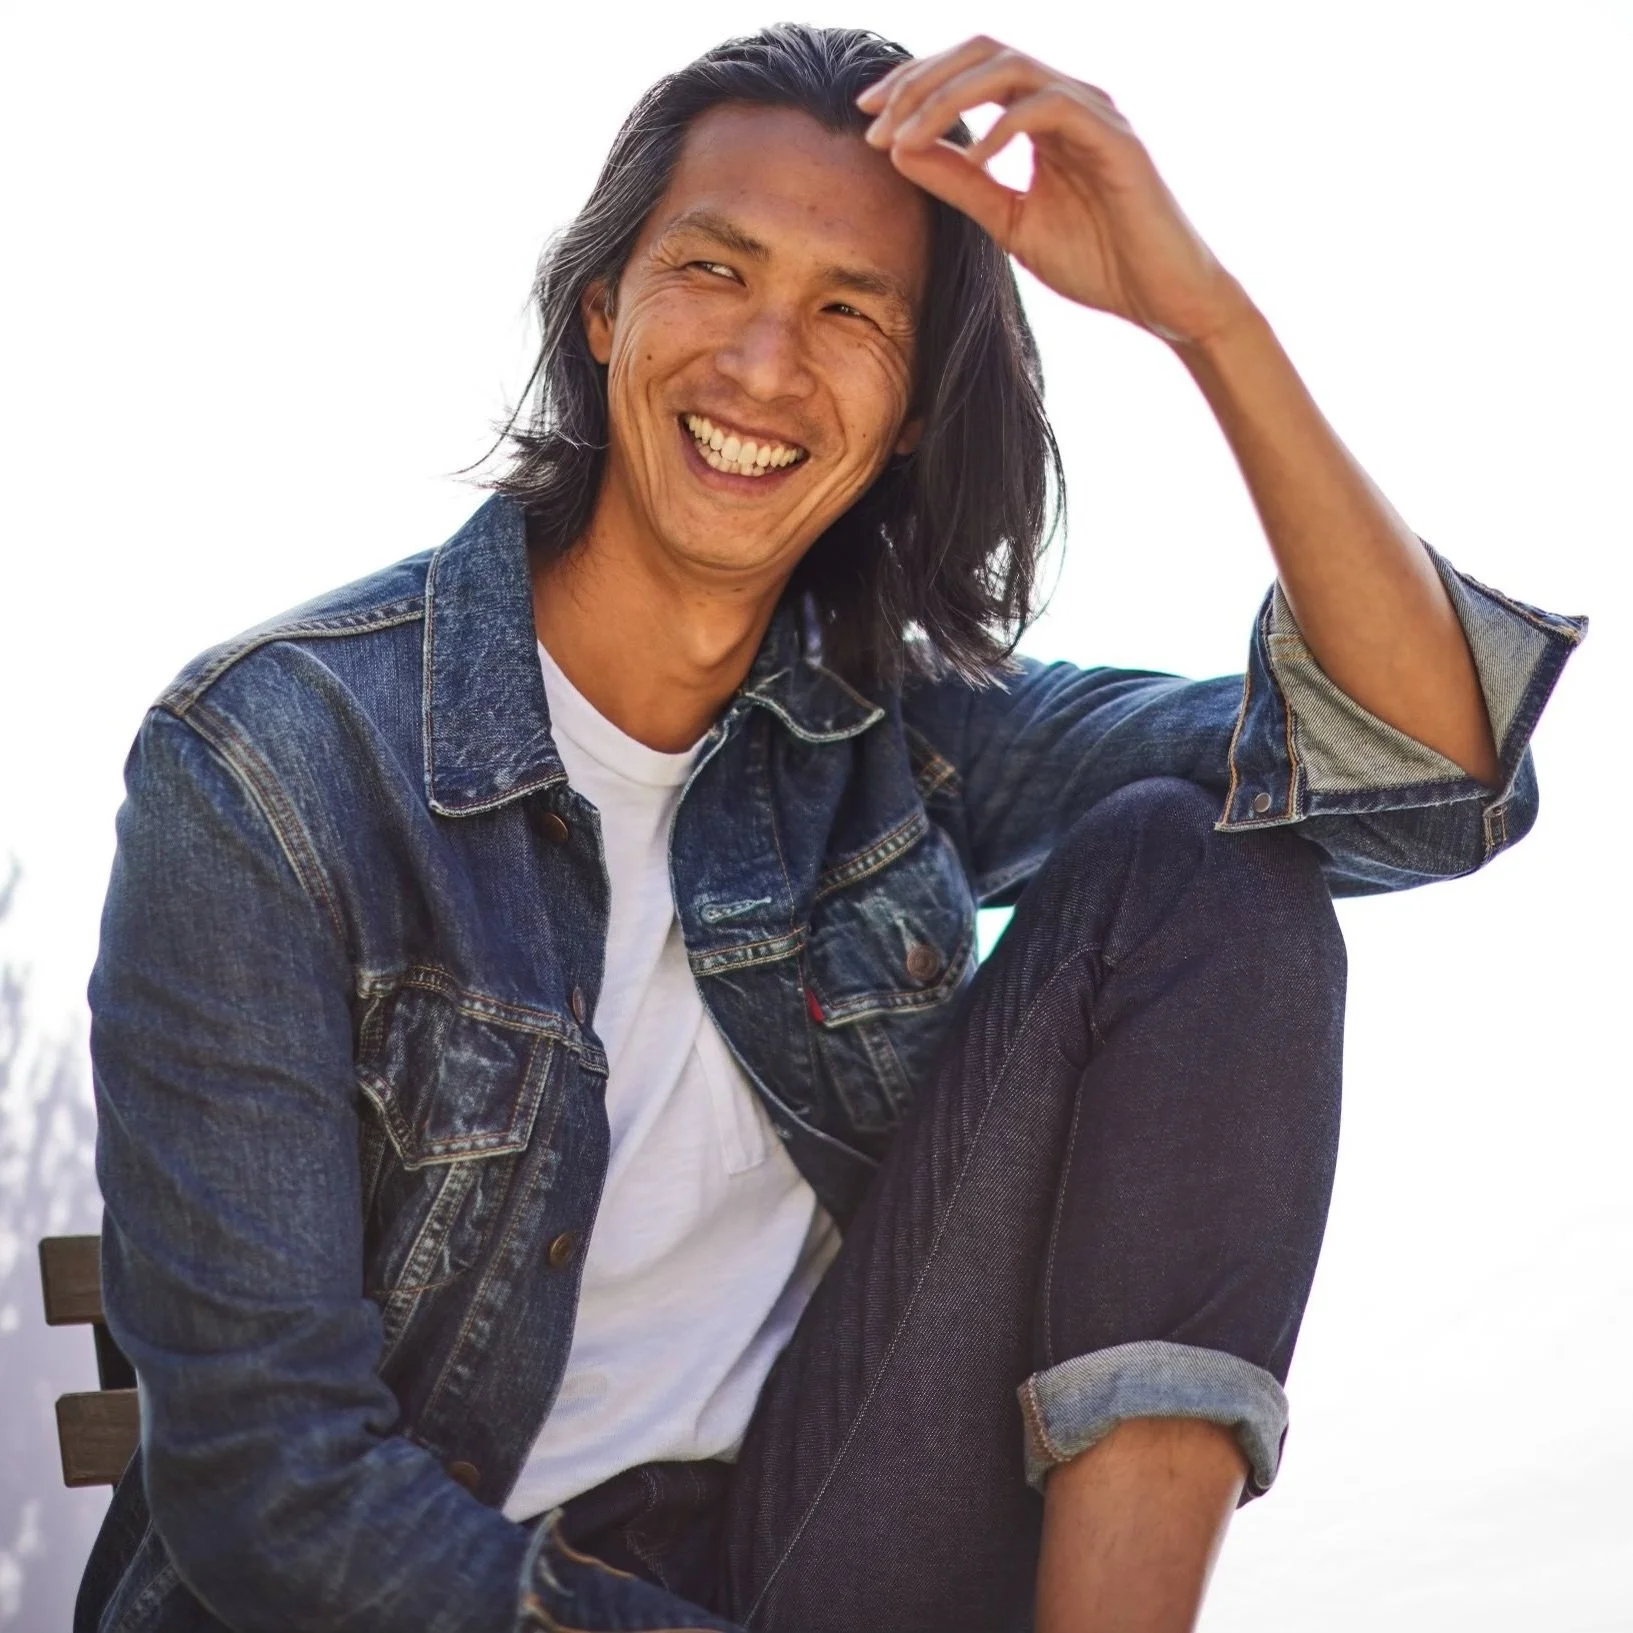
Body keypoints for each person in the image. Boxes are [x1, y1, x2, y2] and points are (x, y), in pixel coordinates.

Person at [77, 24, 1584, 1633]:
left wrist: (1201, 315)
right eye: (714, 273)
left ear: (913, 413)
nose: (764, 364)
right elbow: (271, 1490)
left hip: (816, 1546)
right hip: (424, 1604)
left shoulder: (895, 739)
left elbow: (1418, 769)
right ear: (602, 312)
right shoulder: (272, 767)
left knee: (1212, 874)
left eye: (851, 312)